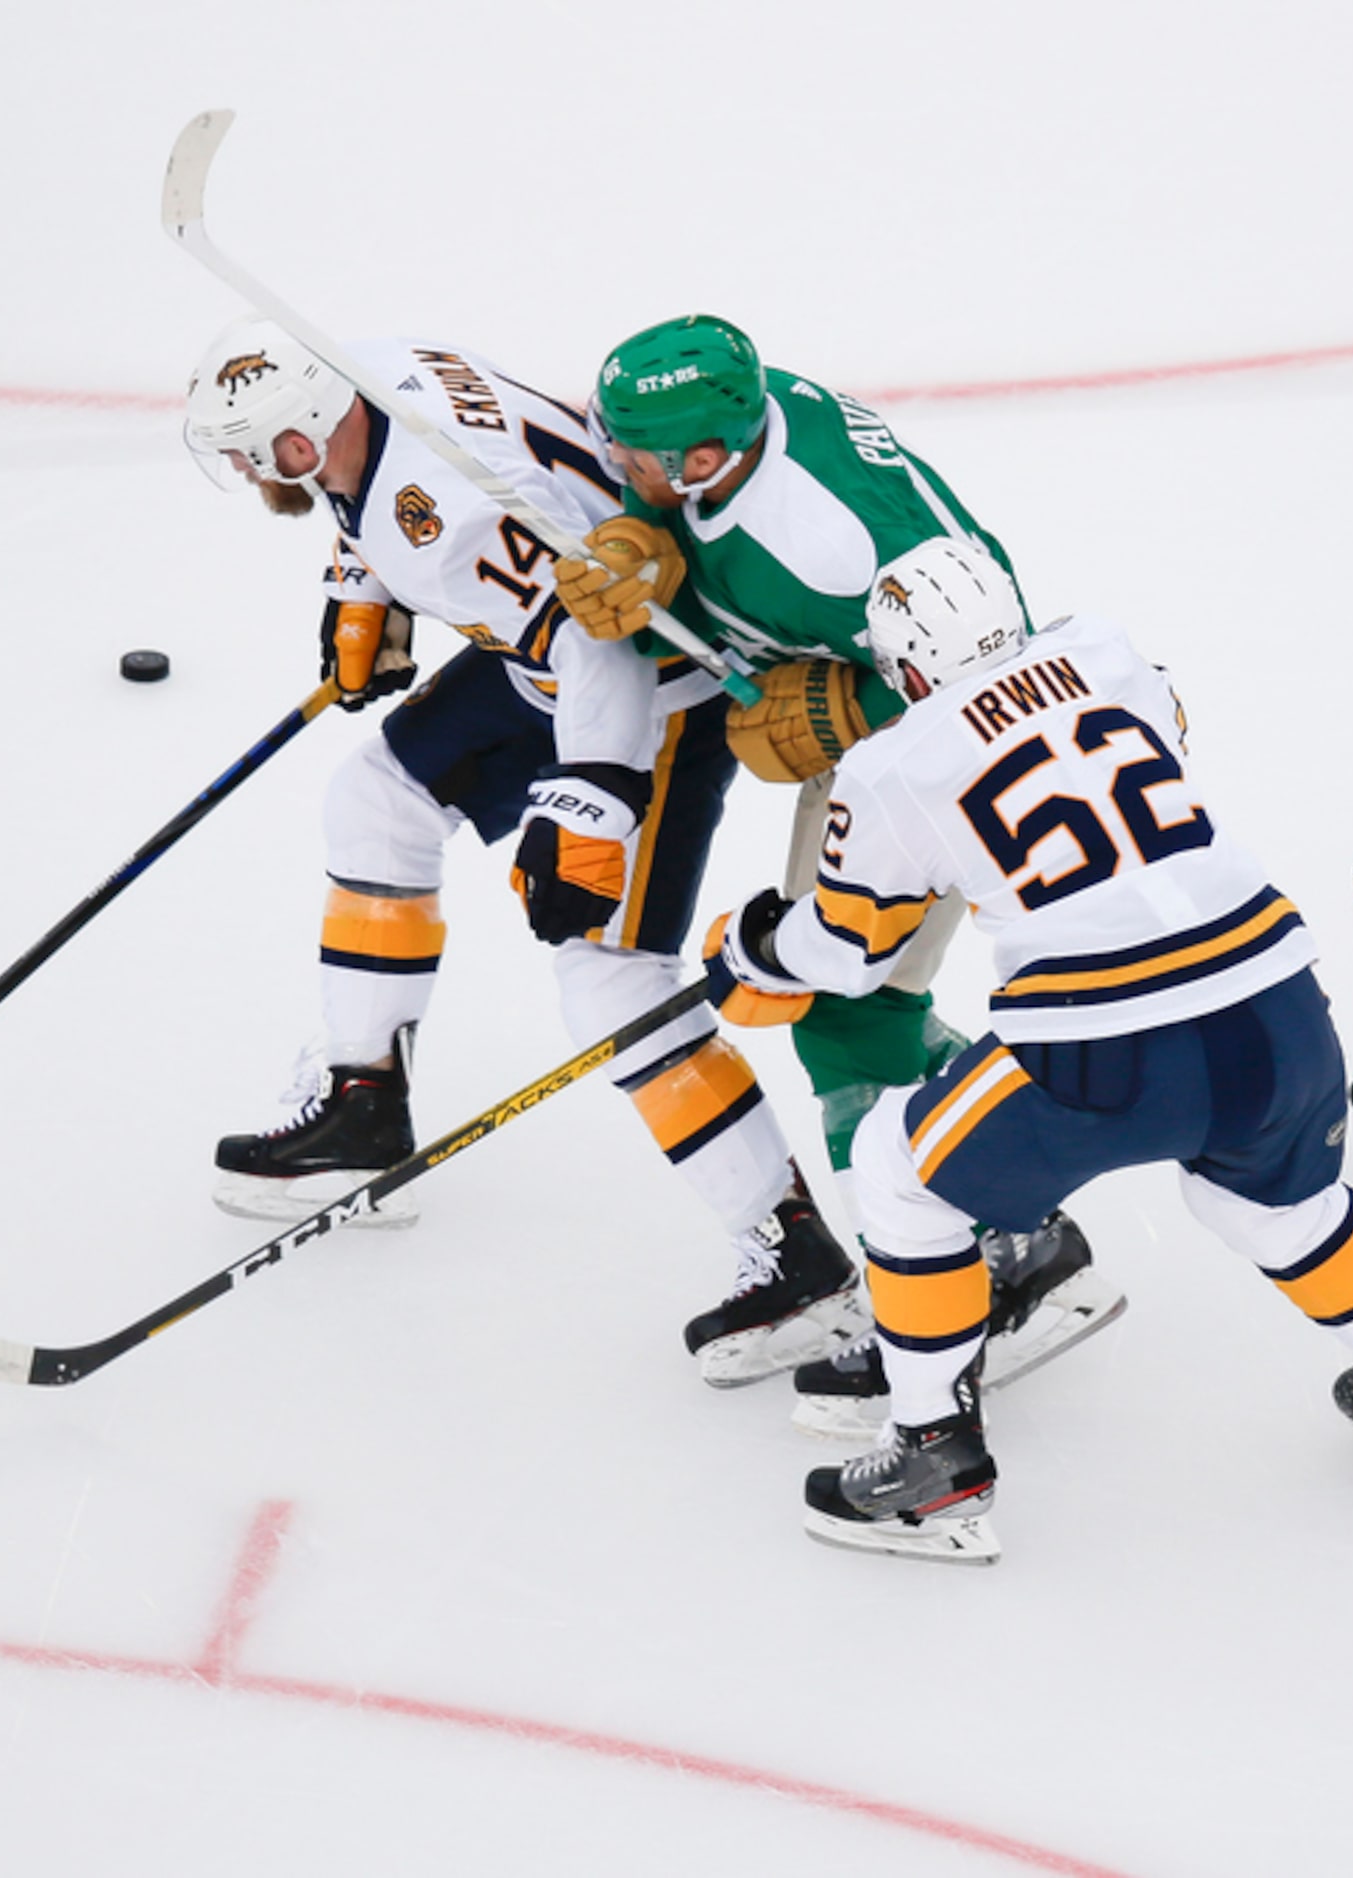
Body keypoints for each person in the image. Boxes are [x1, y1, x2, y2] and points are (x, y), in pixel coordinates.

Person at [702, 539, 1353, 1564]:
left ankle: (933, 1459)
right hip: (1277, 1000)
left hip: (1103, 1037)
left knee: (899, 1174)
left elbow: (852, 953)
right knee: (1270, 1205)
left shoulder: (894, 761)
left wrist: (756, 946)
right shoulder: (1105, 654)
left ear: (905, 669)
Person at [178, 318, 857, 1383]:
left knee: (611, 979)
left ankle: (798, 1254)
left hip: (650, 690)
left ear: (310, 426)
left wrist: (593, 799)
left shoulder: (458, 504)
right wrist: (363, 589)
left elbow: (601, 641)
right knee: (378, 803)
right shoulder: (369, 377)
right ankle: (364, 1108)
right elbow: (398, 520)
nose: (257, 470)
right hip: (547, 660)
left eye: (268, 449)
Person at [555, 314, 1123, 1427]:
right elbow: (706, 544)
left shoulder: (836, 540)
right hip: (903, 754)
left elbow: (988, 639)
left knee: (841, 1014)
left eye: (633, 459)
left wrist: (843, 704)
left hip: (947, 766)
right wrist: (644, 540)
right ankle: (1016, 1230)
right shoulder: (743, 421)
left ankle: (960, 1295)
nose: (616, 463)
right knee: (867, 1013)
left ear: (703, 458)